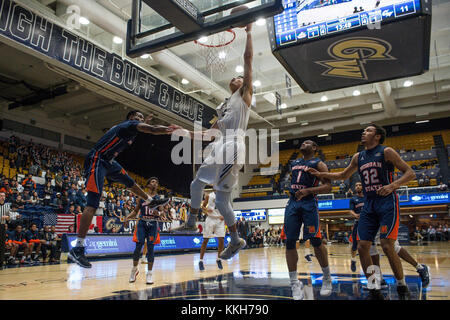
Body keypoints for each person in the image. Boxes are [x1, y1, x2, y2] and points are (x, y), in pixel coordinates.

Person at [171, 21, 254, 262]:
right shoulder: (225, 105)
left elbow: (248, 61)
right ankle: (190, 222)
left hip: (233, 146)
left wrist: (248, 32)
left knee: (222, 197)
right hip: (219, 145)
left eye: (239, 77)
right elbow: (209, 133)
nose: (236, 78)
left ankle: (235, 239)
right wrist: (185, 133)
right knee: (197, 184)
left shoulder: (245, 95)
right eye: (235, 77)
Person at [308, 124, 416, 300]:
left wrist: (392, 185)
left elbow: (410, 173)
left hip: (387, 202)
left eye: (368, 131)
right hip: (369, 204)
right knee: (362, 246)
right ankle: (374, 288)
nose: (364, 133)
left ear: (378, 136)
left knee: (388, 245)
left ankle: (402, 287)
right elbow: (343, 176)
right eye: (364, 130)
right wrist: (321, 174)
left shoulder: (387, 151)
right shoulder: (358, 157)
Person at [68, 111, 178, 268]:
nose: (140, 120)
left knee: (130, 182)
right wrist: (168, 129)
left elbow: (142, 129)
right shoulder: (129, 125)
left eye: (142, 118)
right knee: (92, 203)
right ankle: (77, 248)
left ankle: (151, 201)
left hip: (109, 161)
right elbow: (152, 130)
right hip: (97, 158)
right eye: (138, 117)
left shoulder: (131, 131)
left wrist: (146, 120)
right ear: (131, 119)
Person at [283, 140, 332, 300]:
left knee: (316, 240)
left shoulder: (319, 164)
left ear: (315, 148)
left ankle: (327, 278)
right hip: (293, 203)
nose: (304, 143)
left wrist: (308, 190)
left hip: (309, 203)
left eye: (308, 142)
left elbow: (328, 187)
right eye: (303, 142)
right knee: (289, 242)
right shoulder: (295, 162)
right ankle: (293, 283)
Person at [125, 177, 168, 284]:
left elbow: (162, 213)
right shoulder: (142, 197)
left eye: (157, 182)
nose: (155, 183)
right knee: (138, 246)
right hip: (142, 223)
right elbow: (135, 212)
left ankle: (149, 274)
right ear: (148, 184)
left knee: (150, 248)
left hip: (153, 224)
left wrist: (158, 214)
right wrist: (127, 218)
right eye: (153, 181)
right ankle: (134, 270)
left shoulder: (158, 198)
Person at [198, 190, 225, 271]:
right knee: (206, 240)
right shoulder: (209, 196)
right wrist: (206, 210)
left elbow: (226, 207)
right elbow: (202, 207)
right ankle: (201, 261)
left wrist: (225, 215)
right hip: (210, 219)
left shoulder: (224, 195)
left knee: (221, 239)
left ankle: (219, 259)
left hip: (220, 220)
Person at [349, 181, 364, 272]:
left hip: (368, 223)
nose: (358, 186)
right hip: (358, 222)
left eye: (360, 185)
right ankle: (353, 260)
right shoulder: (353, 199)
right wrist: (355, 214)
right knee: (354, 244)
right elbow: (350, 210)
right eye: (356, 185)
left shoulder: (368, 197)